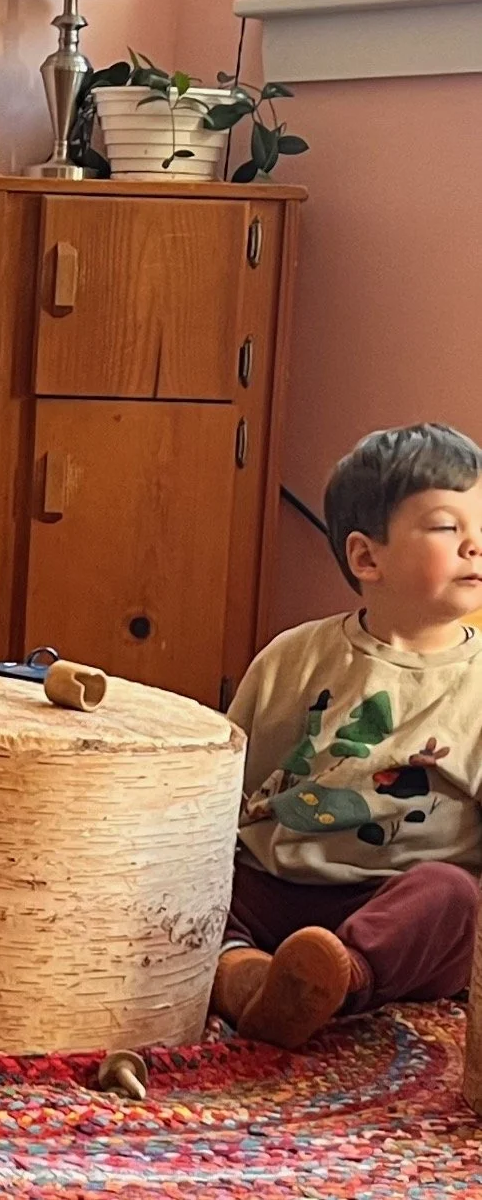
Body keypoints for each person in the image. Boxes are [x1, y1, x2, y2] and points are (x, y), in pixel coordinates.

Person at [210, 422, 482, 1048]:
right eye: (447, 527)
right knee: (194, 881)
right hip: (278, 886)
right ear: (367, 557)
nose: (473, 544)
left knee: (451, 897)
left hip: (393, 902)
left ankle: (337, 978)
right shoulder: (293, 657)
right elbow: (232, 782)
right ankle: (245, 975)